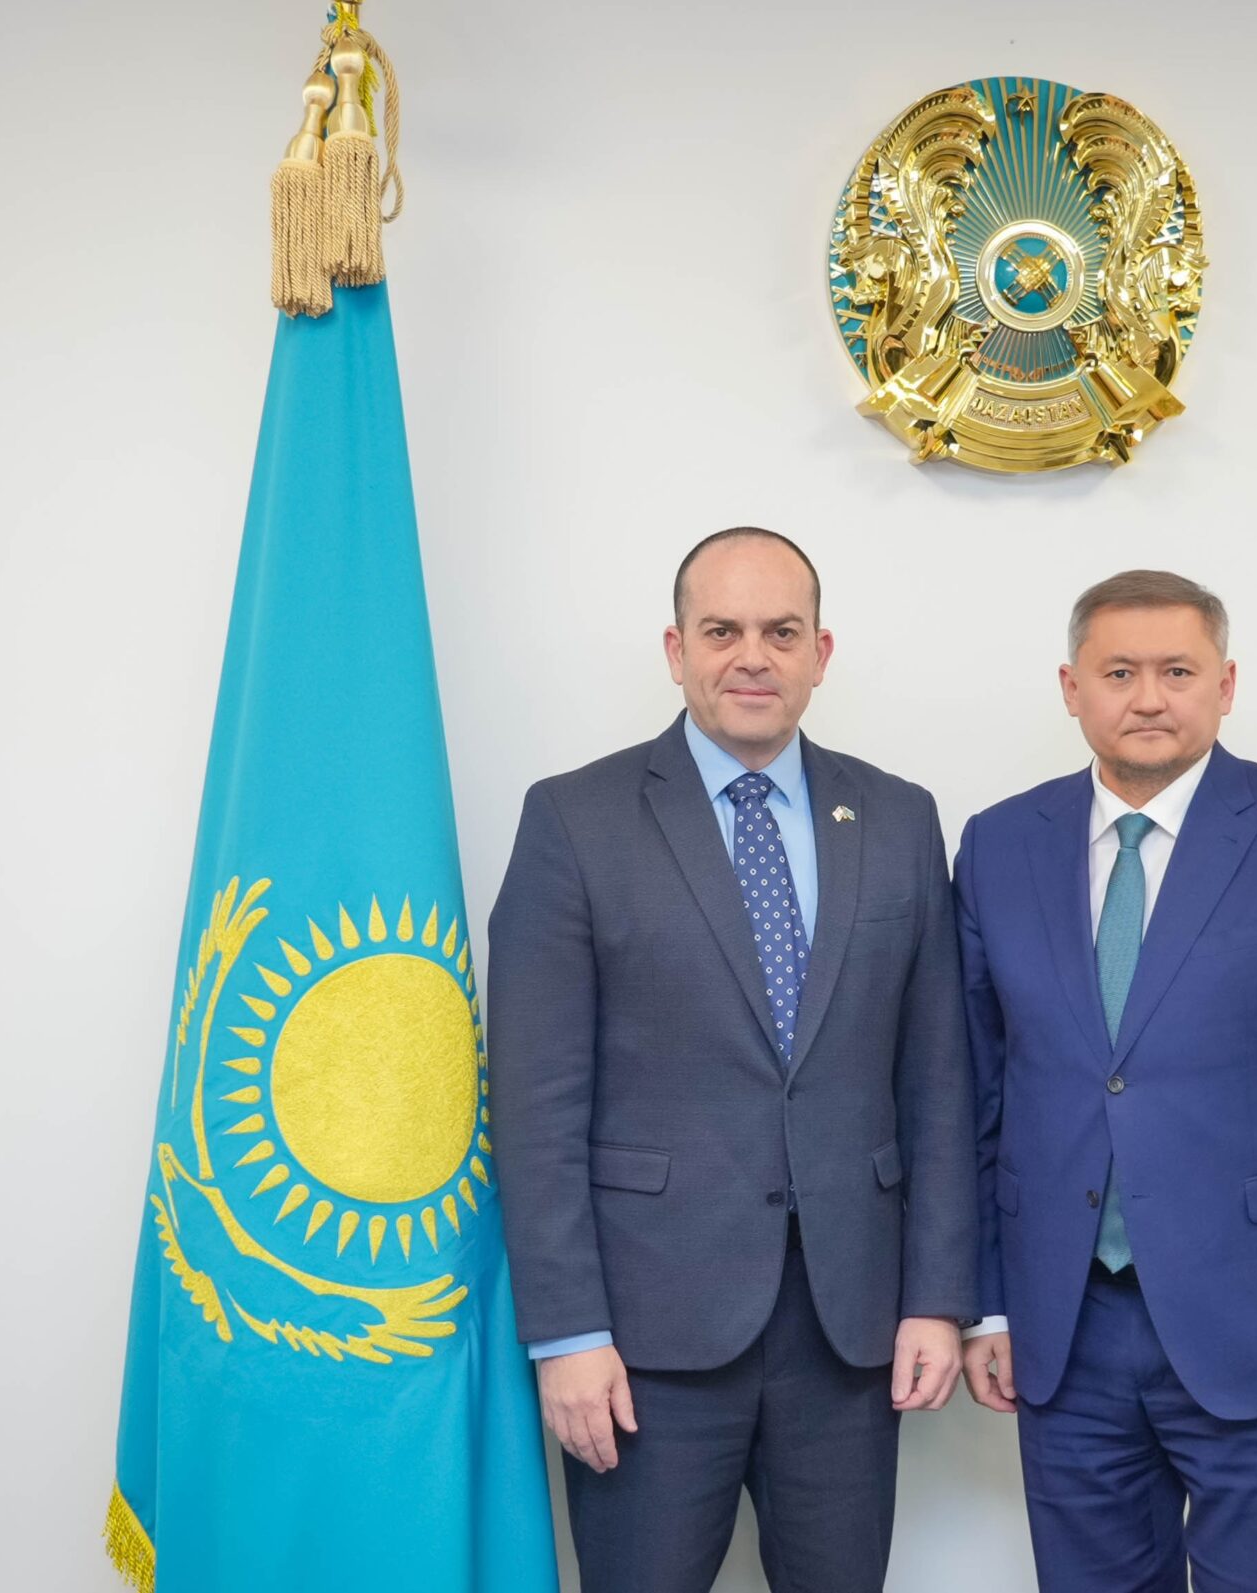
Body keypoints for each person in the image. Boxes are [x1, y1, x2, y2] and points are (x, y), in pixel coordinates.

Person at [487, 527, 976, 1592]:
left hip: (849, 1337)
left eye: (781, 632)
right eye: (722, 631)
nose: (752, 656)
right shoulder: (574, 818)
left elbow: (938, 1082)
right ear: (676, 650)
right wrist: (566, 1333)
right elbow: (532, 1106)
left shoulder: (898, 817)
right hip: (643, 1341)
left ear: (820, 653)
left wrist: (938, 1297)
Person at [953, 569, 1257, 1593]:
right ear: (1072, 688)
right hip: (1065, 1325)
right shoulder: (997, 844)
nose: (1149, 697)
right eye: (1120, 672)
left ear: (1226, 684)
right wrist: (985, 1306)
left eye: (1177, 671)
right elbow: (975, 1096)